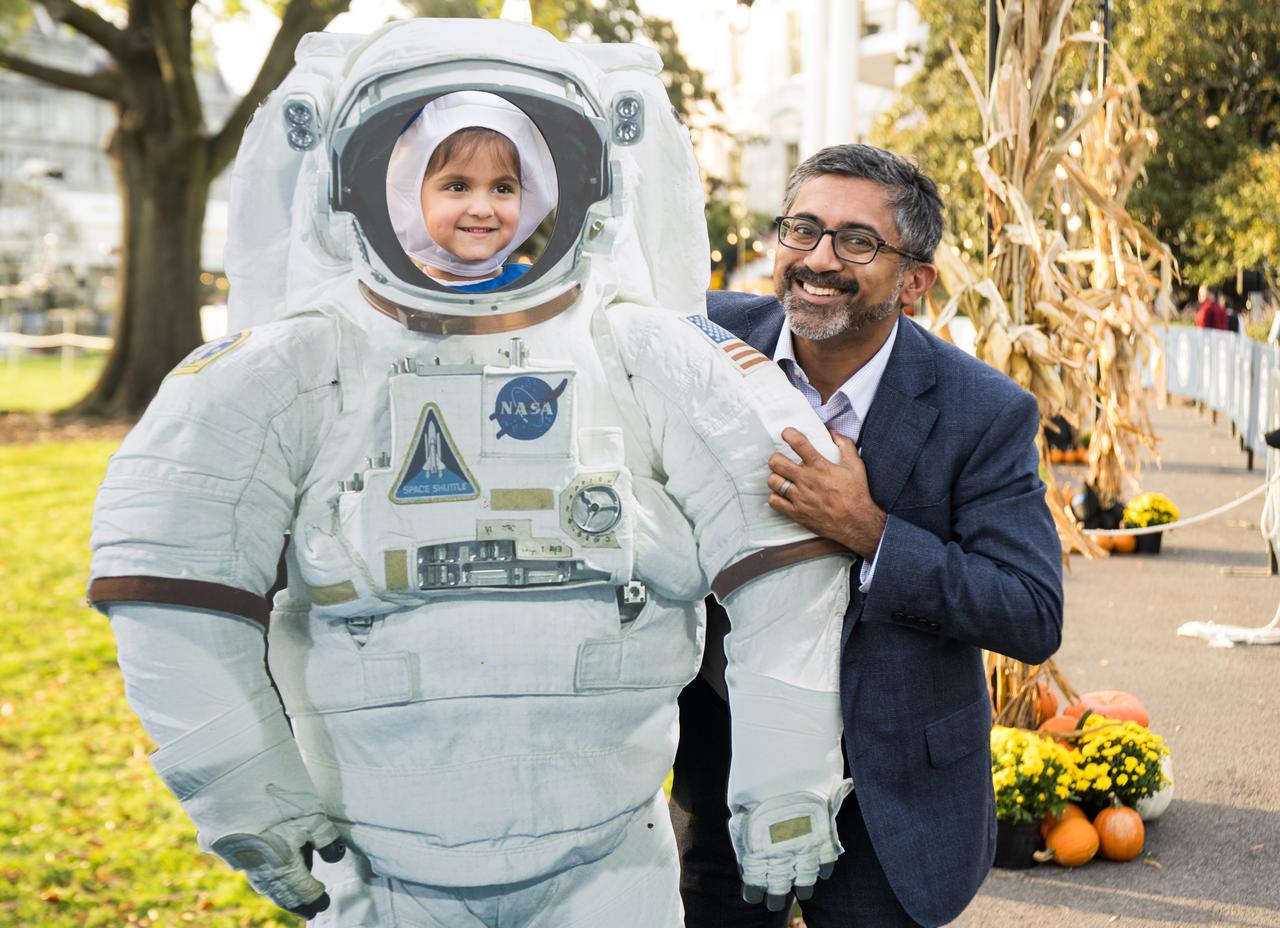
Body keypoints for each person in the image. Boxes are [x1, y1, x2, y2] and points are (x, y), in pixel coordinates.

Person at [88, 19, 855, 928]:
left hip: (606, 852)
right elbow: (172, 580)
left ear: (566, 190)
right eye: (453, 184)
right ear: (379, 186)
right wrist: (247, 796)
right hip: (375, 862)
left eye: (506, 185)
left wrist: (786, 787)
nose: (482, 207)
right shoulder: (298, 361)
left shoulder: (640, 348)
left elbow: (786, 557)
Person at [670, 144, 1064, 928]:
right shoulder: (701, 339)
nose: (818, 260)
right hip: (724, 767)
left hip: (887, 793)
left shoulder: (983, 411)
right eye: (802, 229)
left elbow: (1029, 609)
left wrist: (870, 531)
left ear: (914, 281)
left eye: (856, 241)